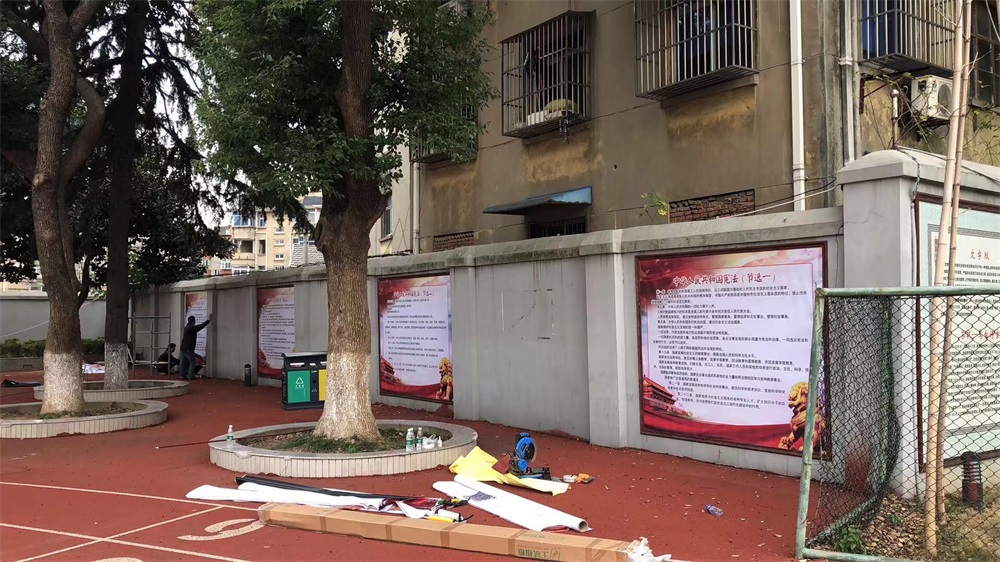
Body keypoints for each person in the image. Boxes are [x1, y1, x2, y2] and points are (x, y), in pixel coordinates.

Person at [179, 314, 211, 380]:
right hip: (188, 348)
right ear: (194, 321)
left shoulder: (186, 327)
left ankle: (182, 375)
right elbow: (200, 326)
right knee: (192, 362)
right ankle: (190, 375)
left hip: (183, 347)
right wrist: (208, 320)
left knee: (183, 362)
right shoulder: (191, 327)